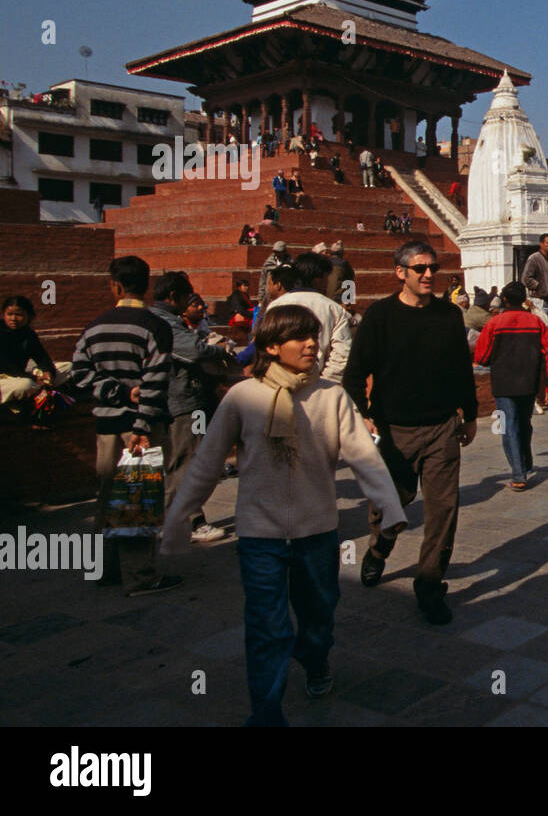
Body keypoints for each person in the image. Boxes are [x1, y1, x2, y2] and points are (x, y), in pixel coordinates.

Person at [161, 305, 406, 726]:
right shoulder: (243, 397)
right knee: (266, 628)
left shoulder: (331, 396)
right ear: (272, 346)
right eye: (300, 337)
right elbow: (206, 464)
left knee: (318, 617)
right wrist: (177, 522)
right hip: (260, 537)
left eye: (315, 336)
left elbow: (364, 456)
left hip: (317, 533)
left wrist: (390, 506)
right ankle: (266, 714)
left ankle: (314, 659)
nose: (313, 344)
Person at [342, 242, 478, 626]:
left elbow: (460, 370)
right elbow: (354, 373)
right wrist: (363, 414)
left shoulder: (449, 315)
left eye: (432, 267)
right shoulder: (381, 316)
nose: (428, 274)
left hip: (441, 428)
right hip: (393, 428)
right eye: (419, 268)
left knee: (442, 510)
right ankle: (379, 548)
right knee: (392, 504)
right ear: (400, 272)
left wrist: (469, 414)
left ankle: (430, 585)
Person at [69, 256, 181, 595]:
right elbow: (156, 380)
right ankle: (140, 577)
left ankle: (106, 569)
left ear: (115, 286)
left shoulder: (94, 327)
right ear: (146, 286)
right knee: (137, 498)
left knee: (107, 496)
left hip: (106, 426)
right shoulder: (154, 326)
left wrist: (112, 391)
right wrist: (142, 425)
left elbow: (79, 374)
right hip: (140, 428)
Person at [151, 271, 232, 543]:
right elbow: (193, 351)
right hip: (181, 400)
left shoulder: (163, 320)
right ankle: (188, 521)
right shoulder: (165, 323)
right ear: (174, 297)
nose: (194, 305)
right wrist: (223, 351)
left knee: (183, 461)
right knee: (186, 461)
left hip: (179, 399)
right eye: (189, 298)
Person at [473, 281, 548, 490]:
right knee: (524, 423)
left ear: (504, 299)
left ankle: (519, 473)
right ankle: (526, 464)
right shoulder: (536, 323)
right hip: (528, 383)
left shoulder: (494, 323)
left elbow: (482, 357)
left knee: (507, 426)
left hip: (503, 384)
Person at [264, 253, 352, 381]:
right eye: (327, 277)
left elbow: (266, 345)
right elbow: (341, 354)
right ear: (319, 279)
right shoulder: (334, 309)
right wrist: (326, 382)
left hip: (279, 380)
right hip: (317, 382)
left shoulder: (276, 305)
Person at [1, 295, 72, 418]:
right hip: (6, 378)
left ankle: (38, 389)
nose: (13, 319)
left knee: (68, 367)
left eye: (19, 315)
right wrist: (33, 378)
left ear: (29, 316)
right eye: (9, 314)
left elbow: (41, 357)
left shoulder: (28, 334)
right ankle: (37, 389)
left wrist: (48, 372)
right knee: (25, 385)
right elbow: (5, 365)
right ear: (3, 315)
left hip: (23, 376)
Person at [521, 233, 548, 329]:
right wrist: (539, 286)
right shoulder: (534, 258)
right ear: (541, 244)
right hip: (538, 300)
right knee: (540, 329)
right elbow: (526, 278)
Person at [258, 241, 291, 307]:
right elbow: (263, 280)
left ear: (284, 251)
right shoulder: (268, 263)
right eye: (275, 251)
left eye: (279, 252)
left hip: (285, 295)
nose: (277, 254)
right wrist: (260, 297)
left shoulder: (290, 263)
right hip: (269, 295)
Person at [324, 241, 355, 306]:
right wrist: (349, 302)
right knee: (350, 282)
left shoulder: (325, 263)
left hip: (325, 296)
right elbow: (351, 278)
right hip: (339, 298)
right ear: (341, 253)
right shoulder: (344, 264)